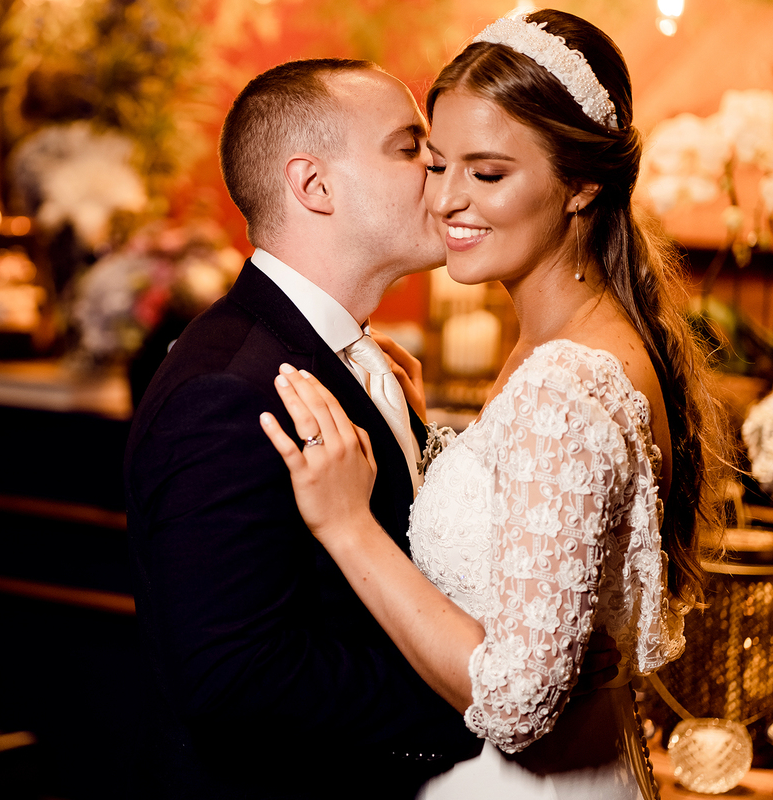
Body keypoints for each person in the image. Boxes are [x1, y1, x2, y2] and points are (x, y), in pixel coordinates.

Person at [260, 9, 728, 799]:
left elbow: (516, 704)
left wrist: (347, 527)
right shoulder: (568, 343)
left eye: (487, 174)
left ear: (581, 185)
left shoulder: (567, 385)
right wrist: (439, 444)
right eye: (438, 164)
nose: (447, 200)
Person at [124, 59, 484, 798]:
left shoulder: (352, 359)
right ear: (314, 185)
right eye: (410, 147)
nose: (439, 169)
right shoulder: (228, 391)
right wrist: (477, 702)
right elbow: (232, 675)